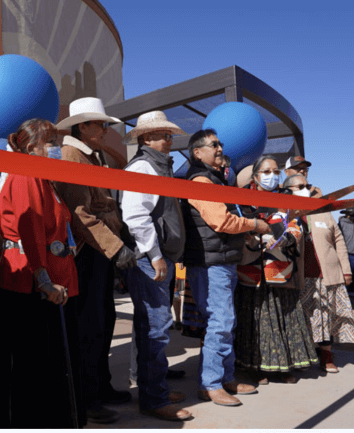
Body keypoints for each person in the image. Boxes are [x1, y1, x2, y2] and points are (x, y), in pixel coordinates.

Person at [0, 119, 86, 428]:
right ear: (31, 148)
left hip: (43, 281)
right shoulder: (25, 173)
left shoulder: (42, 178)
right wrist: (44, 279)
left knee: (39, 365)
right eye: (51, 142)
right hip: (29, 284)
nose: (56, 148)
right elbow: (29, 229)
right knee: (27, 367)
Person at [54, 97, 137, 423]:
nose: (104, 129)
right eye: (99, 124)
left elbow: (98, 205)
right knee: (88, 328)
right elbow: (80, 213)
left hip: (100, 252)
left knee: (102, 322)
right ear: (82, 126)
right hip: (88, 255)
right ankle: (87, 398)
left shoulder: (91, 155)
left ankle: (100, 387)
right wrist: (116, 247)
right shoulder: (72, 155)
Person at [182, 130, 270, 406]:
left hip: (221, 261)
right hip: (211, 264)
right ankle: (211, 384)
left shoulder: (214, 179)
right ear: (198, 153)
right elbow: (221, 221)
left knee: (224, 323)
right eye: (214, 144)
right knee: (220, 324)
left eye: (220, 144)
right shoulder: (201, 180)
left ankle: (225, 378)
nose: (220, 148)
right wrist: (255, 225)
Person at [118, 111, 191, 421]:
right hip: (152, 260)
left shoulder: (155, 166)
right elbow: (135, 216)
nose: (170, 140)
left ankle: (154, 389)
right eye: (164, 135)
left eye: (169, 135)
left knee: (153, 326)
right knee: (156, 328)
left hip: (155, 257)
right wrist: (156, 254)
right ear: (146, 138)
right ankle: (154, 398)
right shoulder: (144, 167)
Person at [234, 157, 318, 385]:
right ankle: (257, 367)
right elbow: (237, 226)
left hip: (280, 268)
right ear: (255, 176)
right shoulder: (242, 201)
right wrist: (251, 239)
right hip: (251, 271)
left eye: (275, 171)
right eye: (266, 171)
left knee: (286, 317)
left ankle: (285, 366)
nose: (271, 175)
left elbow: (297, 223)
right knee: (256, 320)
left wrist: (288, 238)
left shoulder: (286, 200)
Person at [292, 174, 354, 374]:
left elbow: (339, 242)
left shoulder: (324, 213)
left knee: (327, 317)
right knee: (306, 318)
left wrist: (346, 270)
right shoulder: (288, 212)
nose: (305, 189)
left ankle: (327, 356)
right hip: (300, 277)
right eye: (299, 186)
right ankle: (305, 354)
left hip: (327, 275)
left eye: (307, 186)